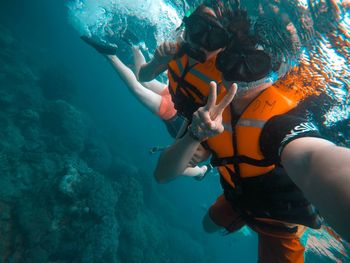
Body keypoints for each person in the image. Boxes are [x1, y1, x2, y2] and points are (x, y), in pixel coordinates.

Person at [152, 7, 350, 263]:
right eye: (231, 59)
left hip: (277, 224)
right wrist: (193, 135)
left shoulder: (279, 124)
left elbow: (312, 159)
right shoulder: (211, 112)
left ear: (276, 68)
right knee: (207, 225)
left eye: (253, 63)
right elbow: (161, 175)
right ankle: (238, 218)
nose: (239, 74)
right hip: (237, 198)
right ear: (220, 61)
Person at [81, 36, 209, 179]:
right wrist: (200, 171)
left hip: (178, 97)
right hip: (172, 114)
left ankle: (135, 45)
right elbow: (177, 169)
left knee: (144, 80)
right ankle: (110, 55)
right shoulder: (194, 156)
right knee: (136, 88)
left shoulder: (208, 139)